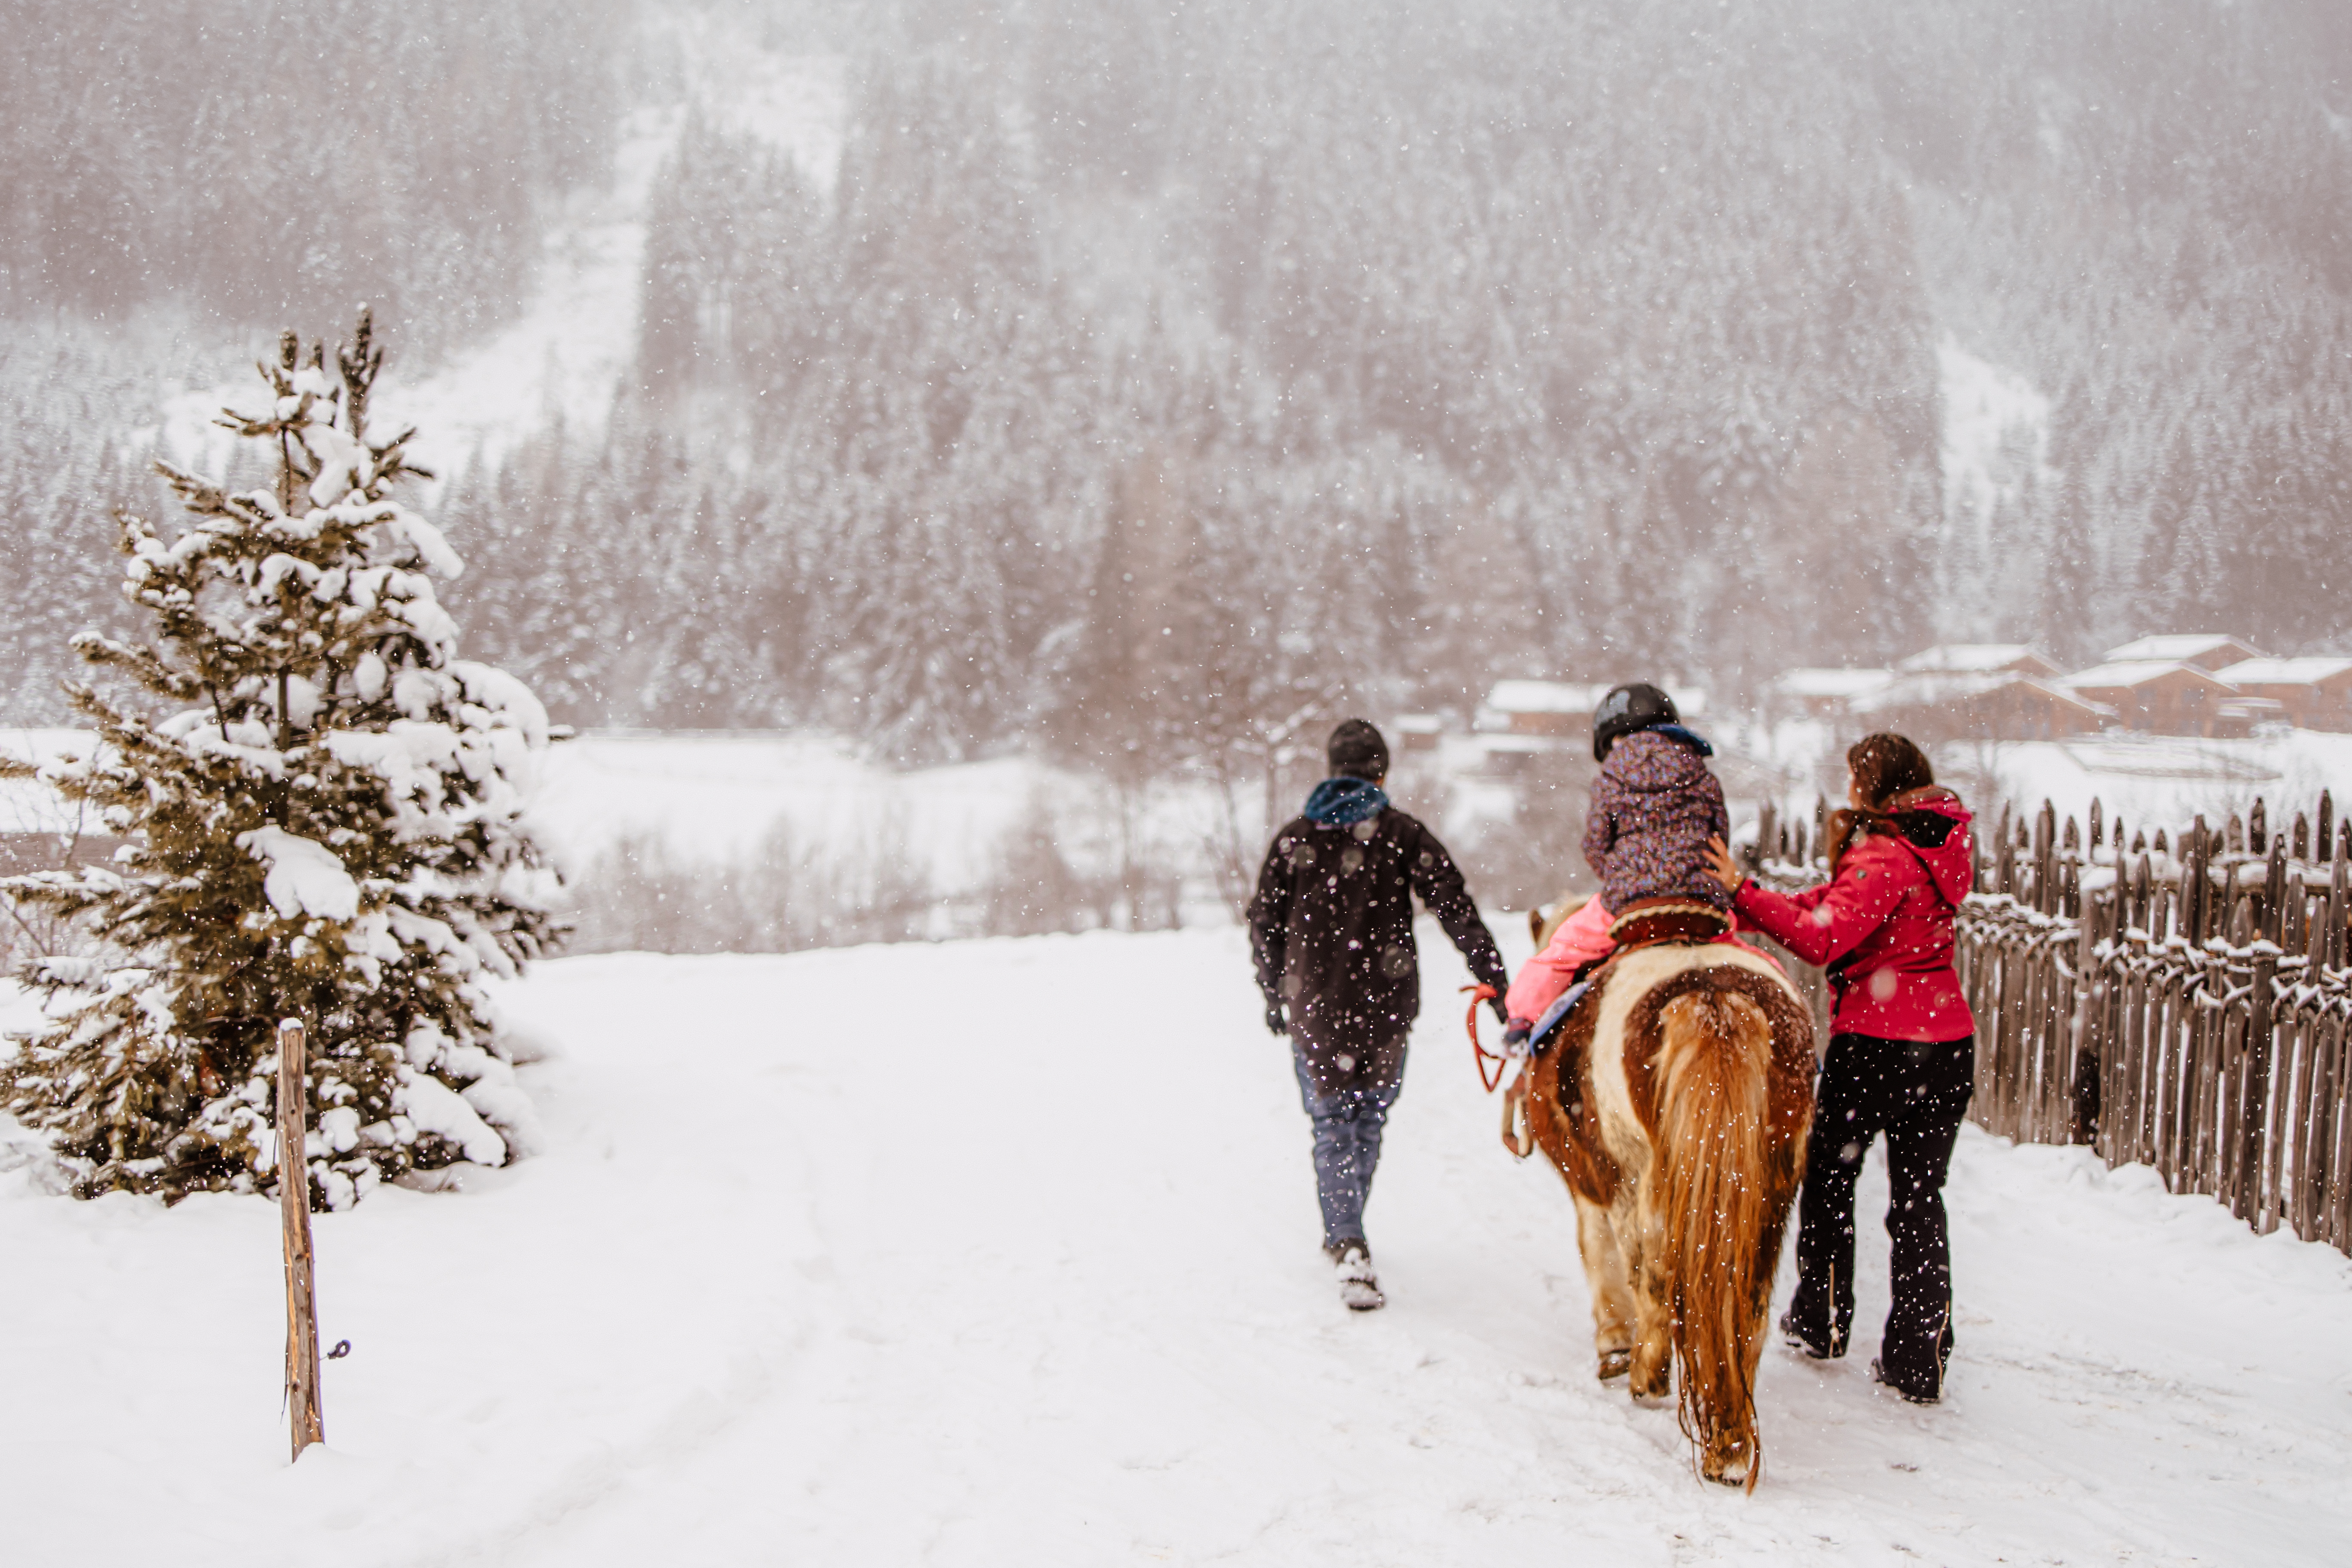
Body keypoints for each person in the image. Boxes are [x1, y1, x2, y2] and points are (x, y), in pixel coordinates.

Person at [1703, 732, 1975, 1405]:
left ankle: (1820, 1321)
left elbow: (1822, 936)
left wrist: (1739, 892)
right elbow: (1827, 905)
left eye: (1856, 777)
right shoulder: (1935, 845)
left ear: (1873, 783)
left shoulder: (1883, 854)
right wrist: (1755, 897)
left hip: (1878, 1046)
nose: (1849, 789)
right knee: (1920, 1200)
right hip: (1946, 1046)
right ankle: (1920, 1358)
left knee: (1830, 1180)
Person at [1247, 718, 1510, 1311]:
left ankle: (1346, 1236)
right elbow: (1456, 907)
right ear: (1381, 772)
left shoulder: (1295, 838)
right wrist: (1495, 980)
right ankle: (1349, 1235)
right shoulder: (1401, 834)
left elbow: (1264, 921)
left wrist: (1272, 991)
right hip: (1386, 1010)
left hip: (1313, 1009)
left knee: (1332, 1125)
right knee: (1367, 1123)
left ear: (1332, 769)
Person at [1502, 682, 1731, 1050]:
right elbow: (1720, 837)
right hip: (1698, 903)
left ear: (1614, 738)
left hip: (1629, 905)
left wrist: (1625, 875)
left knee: (1560, 953)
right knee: (1751, 960)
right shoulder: (1702, 772)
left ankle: (1520, 1022)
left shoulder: (1611, 775)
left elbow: (1595, 845)